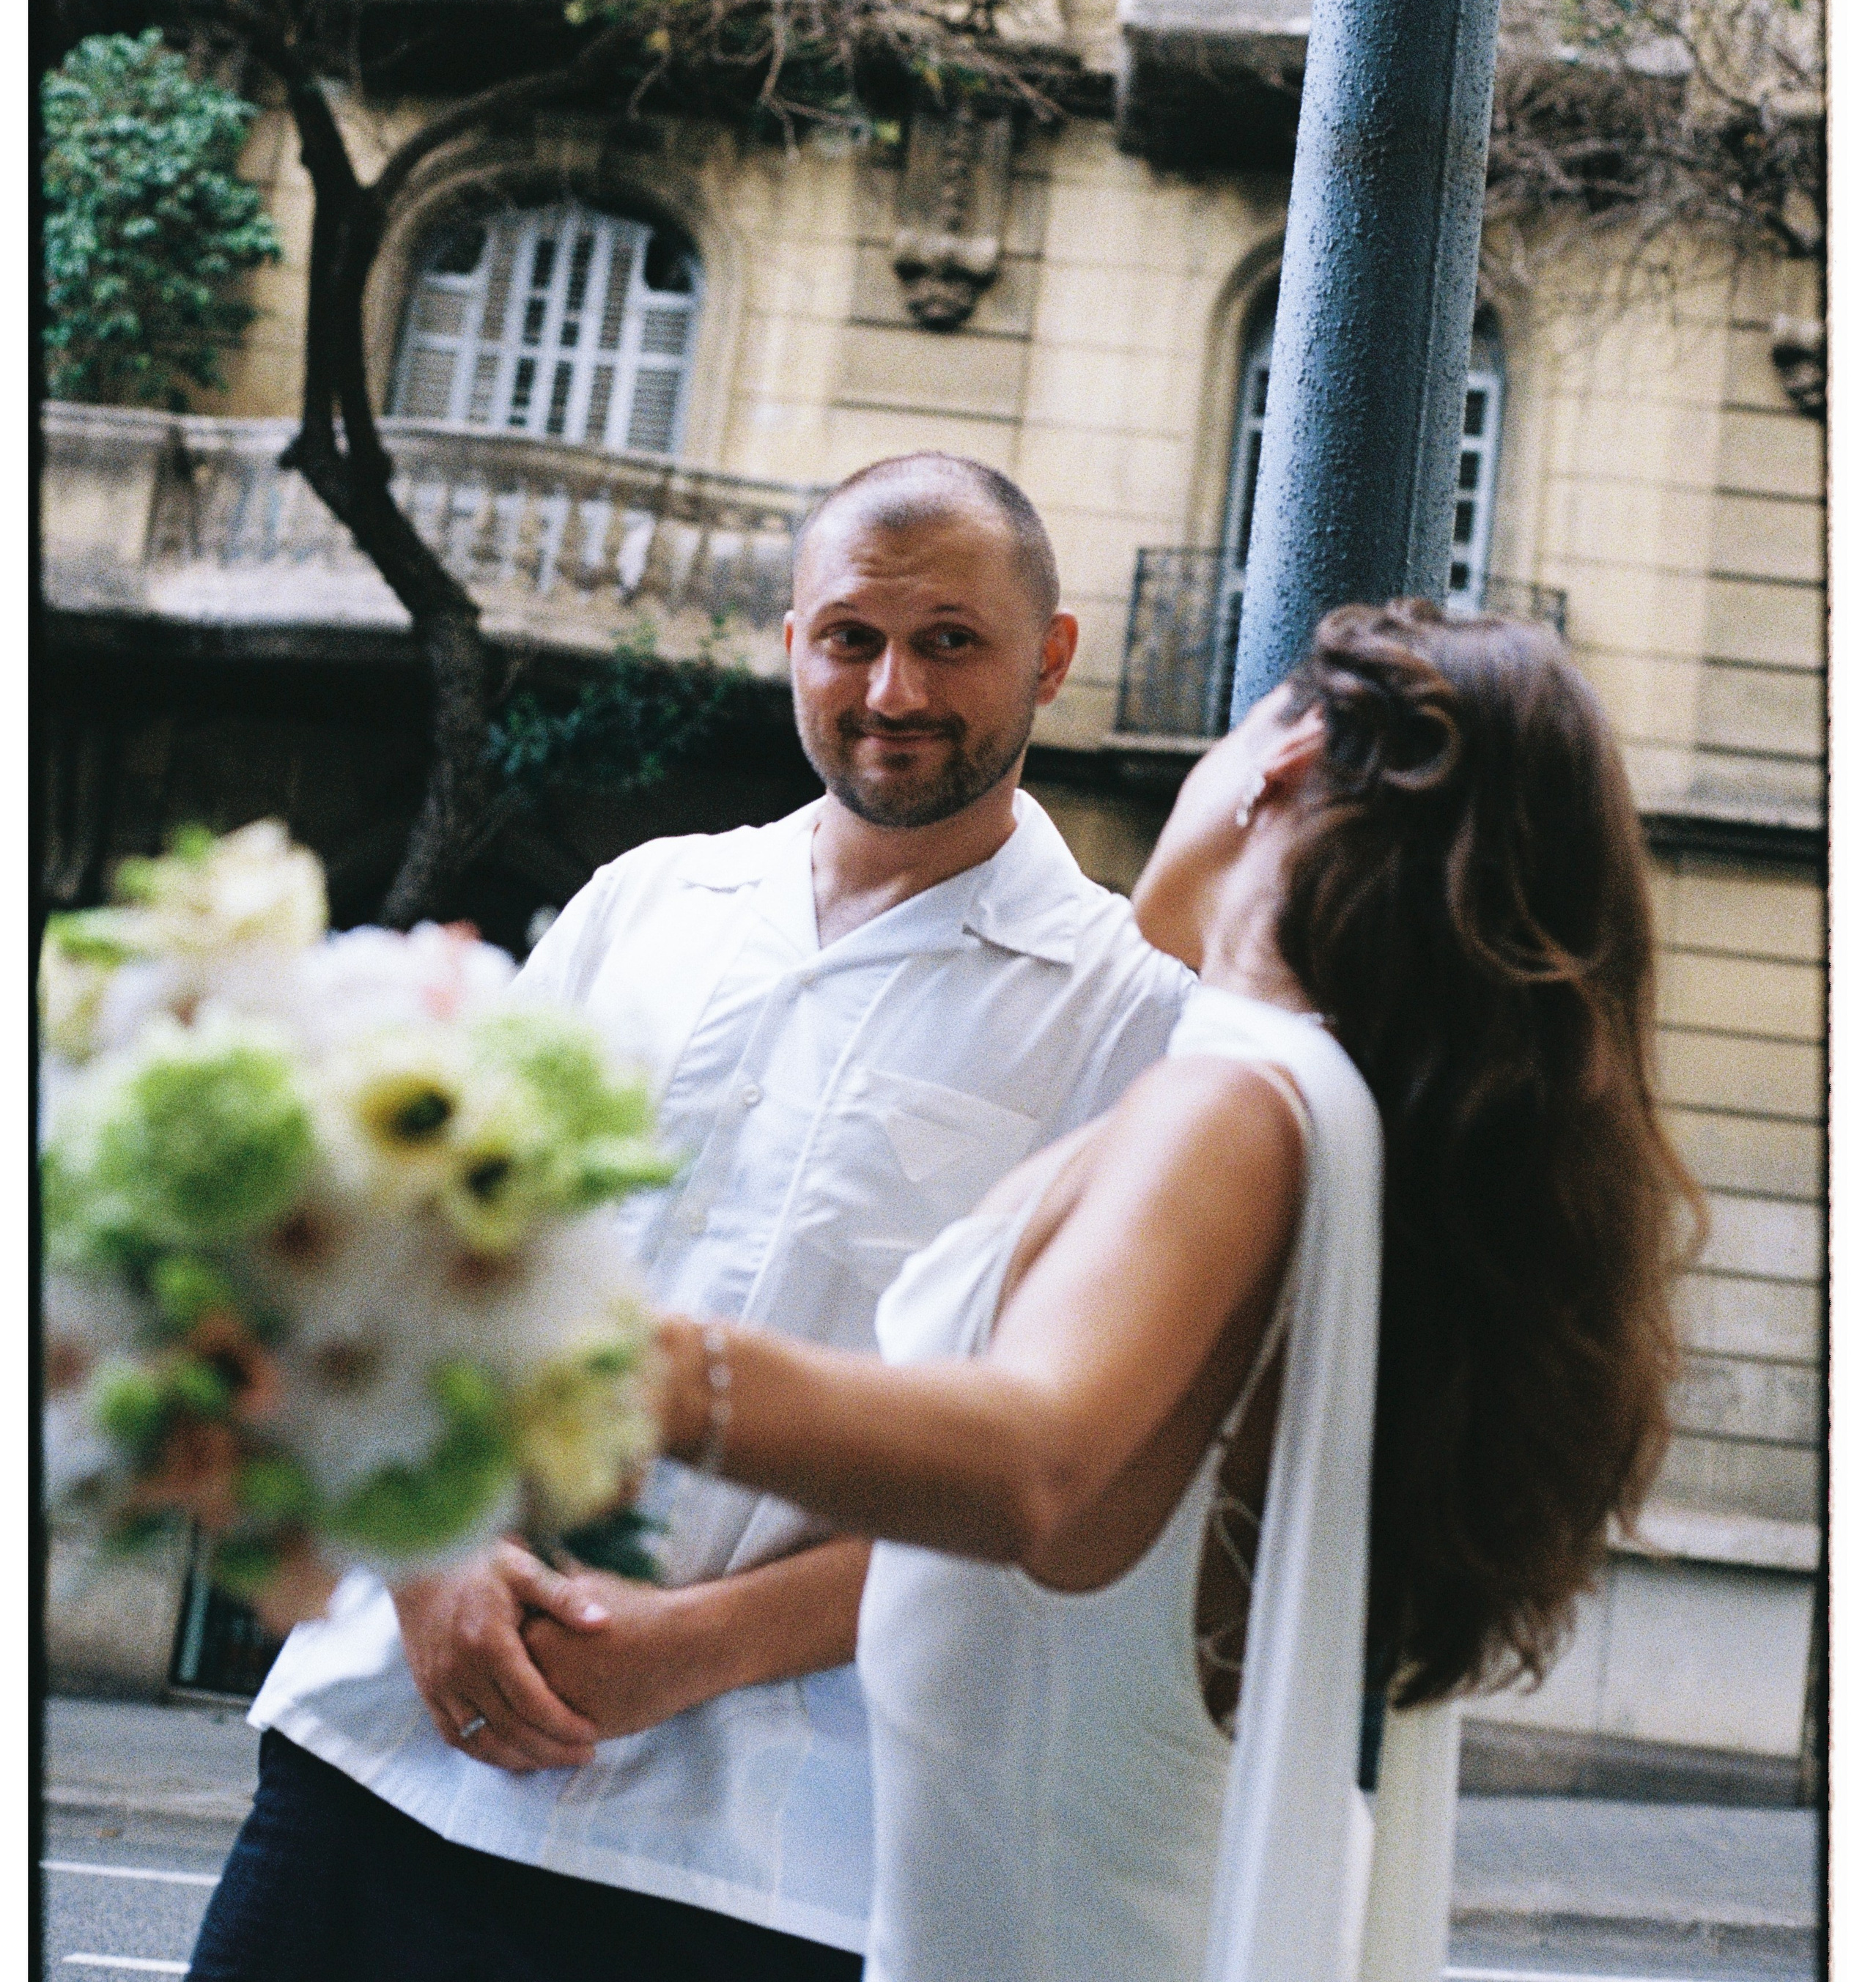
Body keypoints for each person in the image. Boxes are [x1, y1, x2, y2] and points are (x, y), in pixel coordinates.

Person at [187, 454, 1194, 1982]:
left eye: (950, 640)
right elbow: (412, 1270)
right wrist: (434, 1564)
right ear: (788, 638)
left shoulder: (1133, 1020)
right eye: (850, 636)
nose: (893, 687)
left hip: (751, 1856)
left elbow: (1066, 1479)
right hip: (389, 1740)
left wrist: (696, 1645)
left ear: (1046, 657)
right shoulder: (639, 902)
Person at [649, 599, 1699, 1982]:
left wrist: (613, 1368)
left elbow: (1029, 1457)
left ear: (1287, 754)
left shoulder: (1239, 1109)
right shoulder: (1318, 1114)